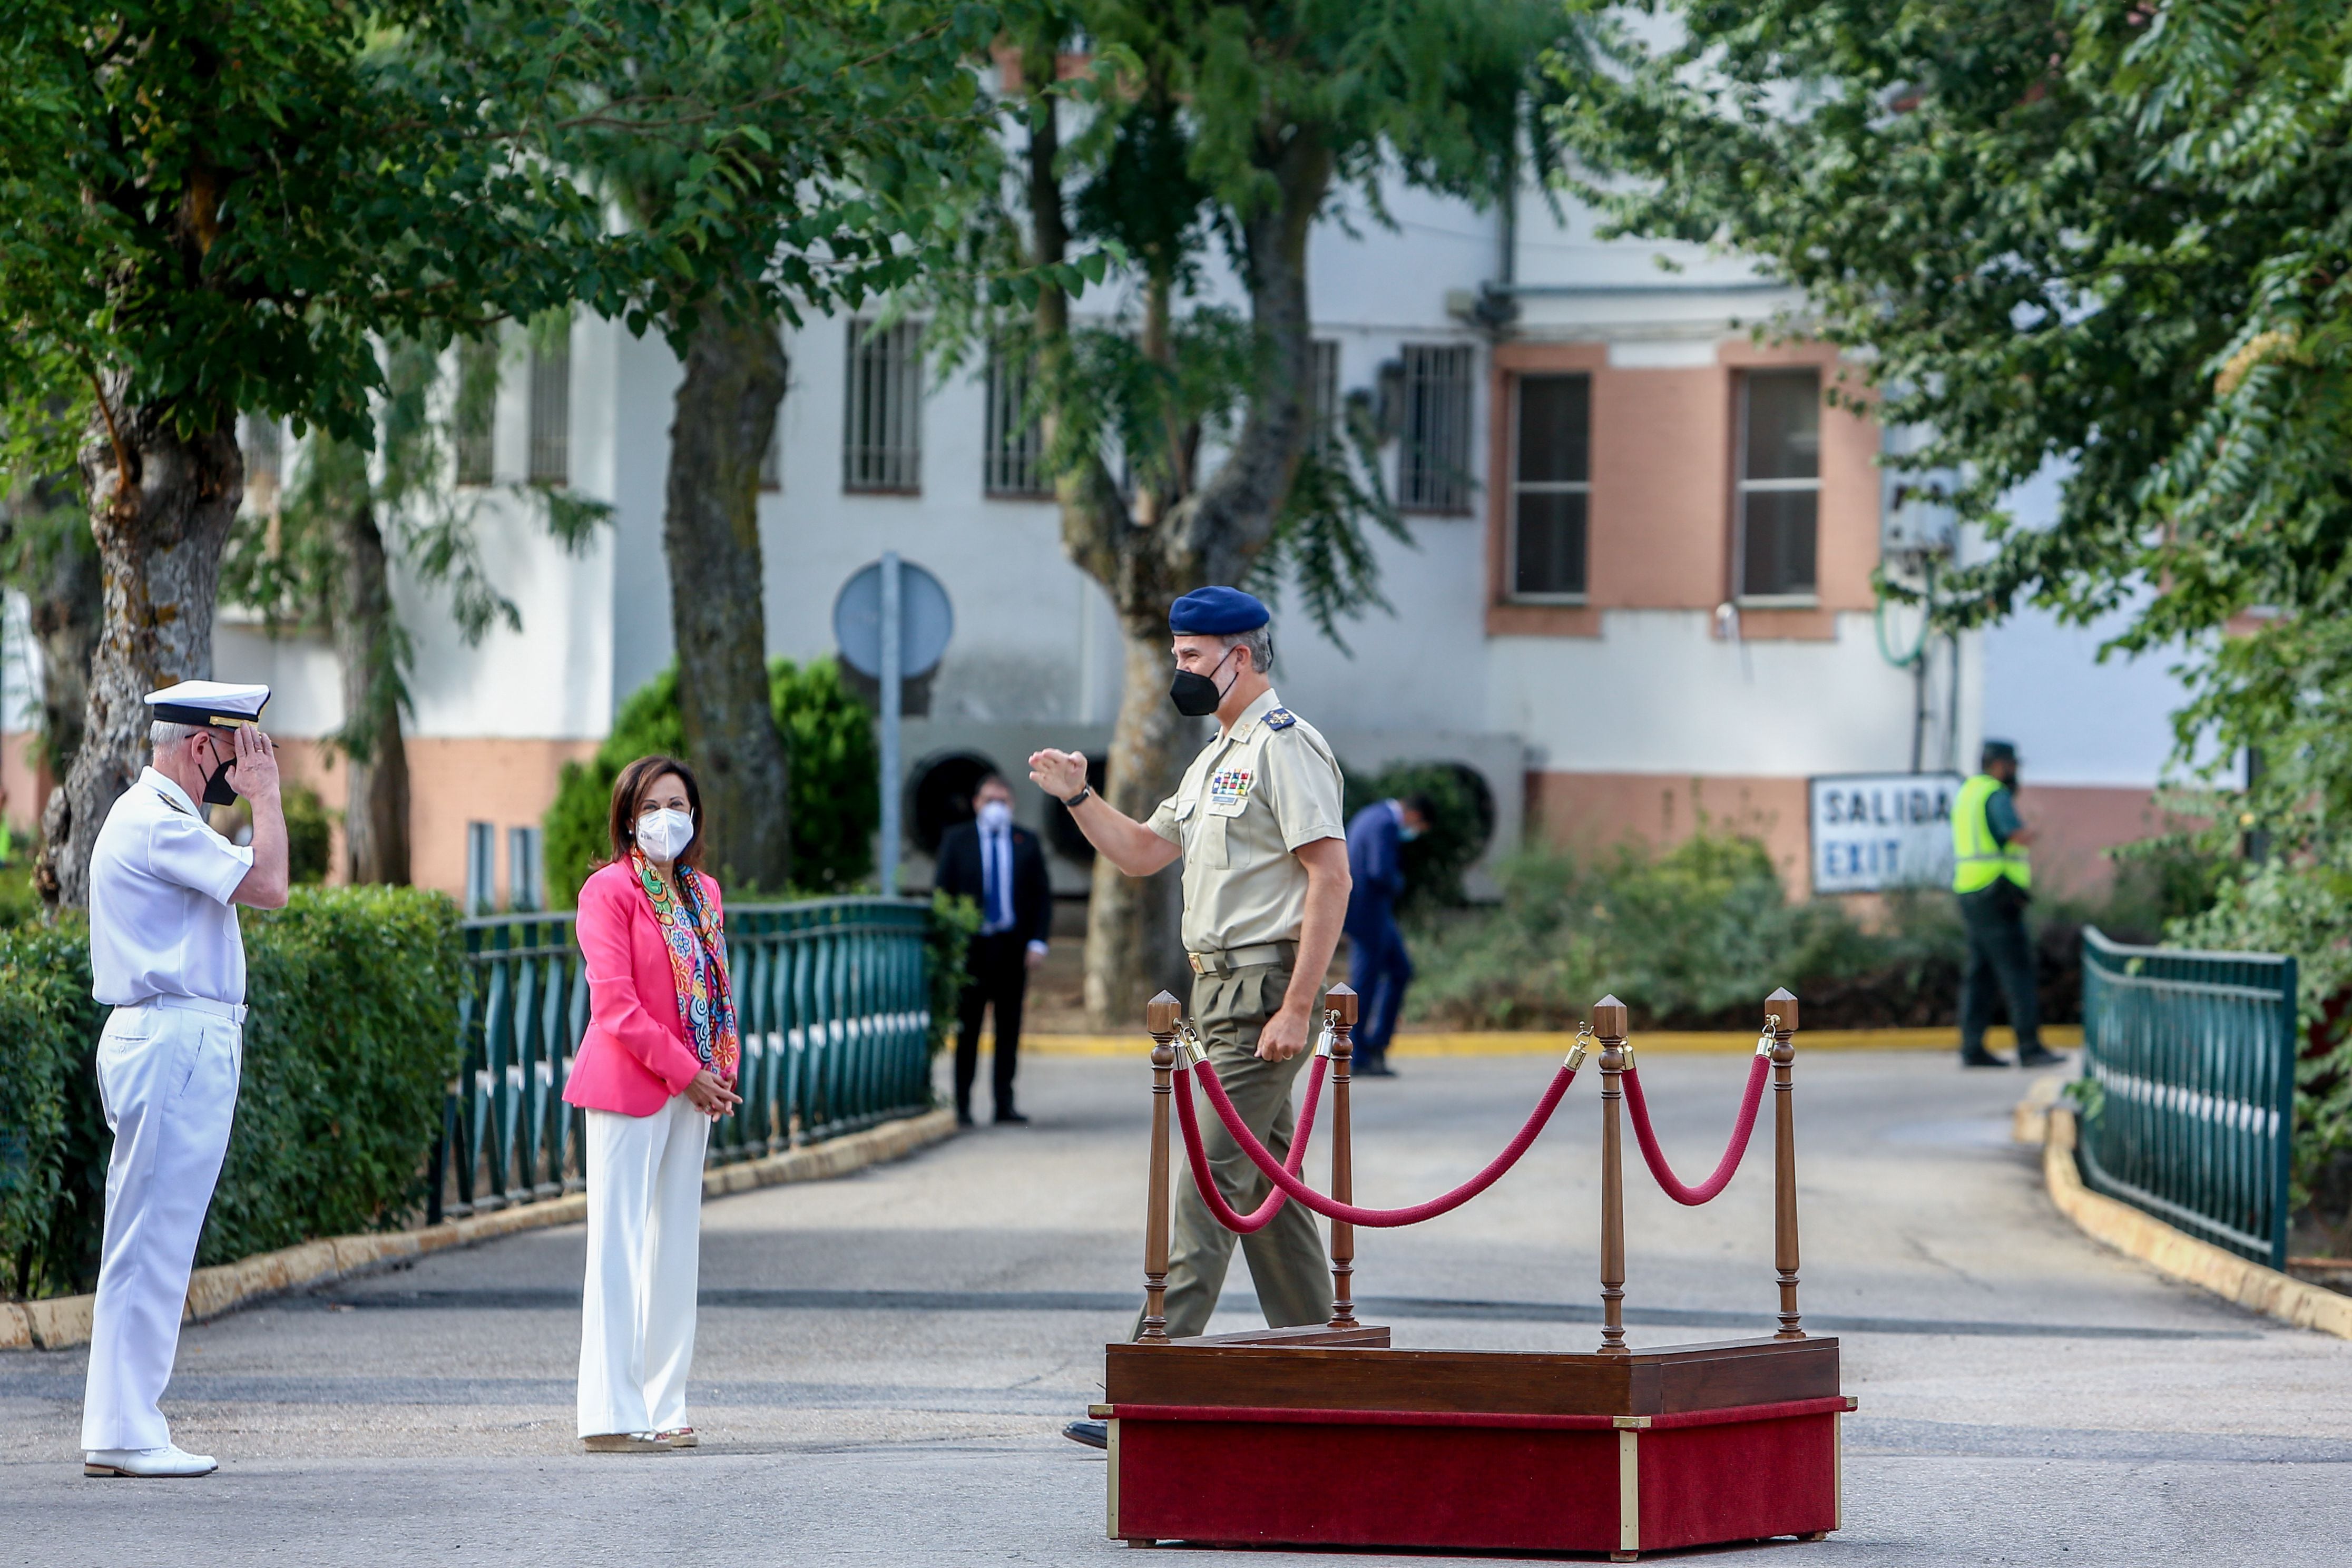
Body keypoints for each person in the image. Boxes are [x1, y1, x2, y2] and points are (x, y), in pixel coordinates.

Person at [1031, 586, 1350, 1449]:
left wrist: (1296, 1006)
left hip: (1261, 990)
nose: (1177, 671)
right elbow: (1141, 850)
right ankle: (1327, 1370)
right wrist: (1076, 797)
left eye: (1188, 657)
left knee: (1205, 1185)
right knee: (1267, 1192)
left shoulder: (1285, 748)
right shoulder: (1216, 756)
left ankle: (1154, 1383)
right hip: (1218, 994)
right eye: (1174, 655)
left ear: (1237, 656)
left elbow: (1330, 878)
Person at [82, 680, 287, 1479]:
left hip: (170, 1036)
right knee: (151, 1244)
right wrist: (267, 800)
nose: (242, 771)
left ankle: (123, 1424)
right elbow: (269, 885)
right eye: (236, 753)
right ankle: (126, 1428)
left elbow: (247, 879)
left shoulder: (163, 821)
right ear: (201, 747)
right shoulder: (158, 822)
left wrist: (255, 798)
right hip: (170, 1038)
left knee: (151, 1238)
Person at [563, 754, 743, 1453]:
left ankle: (665, 1404)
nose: (666, 817)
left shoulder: (704, 893)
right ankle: (610, 1414)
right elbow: (615, 1005)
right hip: (629, 1084)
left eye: (678, 804)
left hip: (694, 1091)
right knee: (619, 1248)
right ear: (628, 819)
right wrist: (684, 1071)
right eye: (650, 806)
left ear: (694, 815)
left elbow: (716, 989)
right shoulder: (608, 891)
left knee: (675, 1250)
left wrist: (718, 1071)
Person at [934, 772, 1053, 1126]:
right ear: (976, 804)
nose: (996, 807)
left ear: (1012, 804)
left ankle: (1004, 1103)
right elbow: (943, 893)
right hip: (972, 950)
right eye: (989, 800)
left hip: (1012, 949)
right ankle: (963, 1105)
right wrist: (950, 944)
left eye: (1002, 801)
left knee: (1008, 1028)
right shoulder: (957, 841)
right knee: (968, 1028)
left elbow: (1041, 897)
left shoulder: (1026, 842)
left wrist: (1038, 942)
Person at [1952, 740, 2064, 1069]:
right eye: (2013, 765)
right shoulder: (1995, 794)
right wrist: (2032, 831)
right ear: (1999, 765)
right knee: (2017, 971)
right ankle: (2029, 1048)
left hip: (1969, 891)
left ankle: (1972, 1047)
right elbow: (2011, 833)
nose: (2016, 772)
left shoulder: (1968, 792)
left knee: (1981, 973)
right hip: (1996, 893)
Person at [1344, 792, 1433, 1079]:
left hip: (1368, 912)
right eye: (1419, 828)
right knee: (1365, 983)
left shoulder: (1372, 814)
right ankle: (1359, 1054)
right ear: (1416, 817)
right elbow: (1380, 871)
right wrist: (1399, 883)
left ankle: (1374, 1045)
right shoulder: (1384, 824)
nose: (1414, 833)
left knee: (1399, 971)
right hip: (1368, 913)